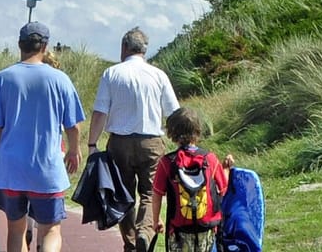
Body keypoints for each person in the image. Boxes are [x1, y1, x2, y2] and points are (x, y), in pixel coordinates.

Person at [0, 22, 85, 252]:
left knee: (16, 229)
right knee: (50, 230)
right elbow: (73, 126)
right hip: (46, 168)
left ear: (20, 44)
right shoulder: (60, 79)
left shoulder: (3, 79)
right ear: (45, 46)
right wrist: (74, 150)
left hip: (11, 169)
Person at [86, 27, 181, 252]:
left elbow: (100, 112)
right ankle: (145, 232)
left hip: (119, 142)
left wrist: (92, 143)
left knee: (123, 194)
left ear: (124, 47)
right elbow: (174, 112)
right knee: (151, 192)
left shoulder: (112, 73)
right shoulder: (158, 75)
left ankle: (130, 243)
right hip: (151, 141)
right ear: (145, 51)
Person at [148, 108, 232, 252]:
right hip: (206, 227)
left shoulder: (167, 162)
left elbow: (156, 194)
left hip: (179, 228)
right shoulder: (210, 159)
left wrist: (156, 221)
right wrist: (226, 169)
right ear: (198, 130)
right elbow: (223, 188)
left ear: (171, 133)